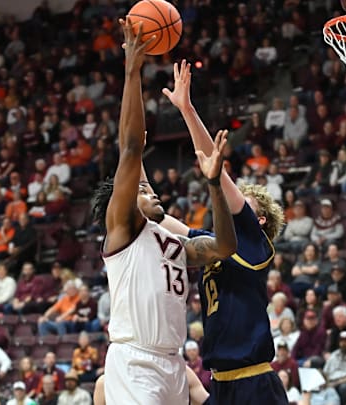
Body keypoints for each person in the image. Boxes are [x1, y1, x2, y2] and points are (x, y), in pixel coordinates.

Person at [90, 21, 237, 405]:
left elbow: (223, 246)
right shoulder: (122, 230)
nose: (150, 189)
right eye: (141, 189)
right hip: (135, 361)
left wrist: (214, 183)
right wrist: (131, 71)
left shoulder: (171, 241)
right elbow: (129, 151)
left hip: (173, 364)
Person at [160, 59, 288, 404]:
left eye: (245, 205)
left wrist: (188, 110)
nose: (237, 203)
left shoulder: (254, 244)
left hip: (254, 382)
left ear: (258, 220)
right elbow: (168, 223)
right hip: (221, 382)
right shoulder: (220, 243)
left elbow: (212, 163)